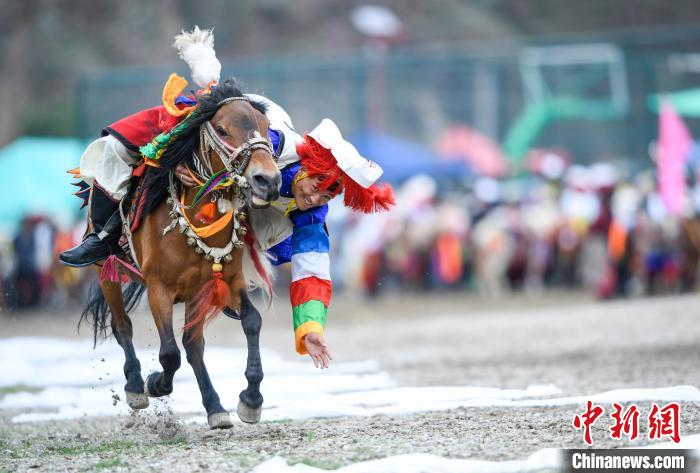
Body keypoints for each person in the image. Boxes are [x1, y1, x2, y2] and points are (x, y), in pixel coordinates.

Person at [59, 28, 395, 369]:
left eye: (330, 193)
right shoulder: (278, 143)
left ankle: (226, 287)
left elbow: (313, 271)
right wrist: (177, 162)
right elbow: (232, 139)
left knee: (244, 250)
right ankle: (101, 235)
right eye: (318, 183)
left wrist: (310, 328)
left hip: (241, 213)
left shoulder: (312, 217)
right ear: (308, 163)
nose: (316, 195)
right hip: (212, 121)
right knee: (117, 148)